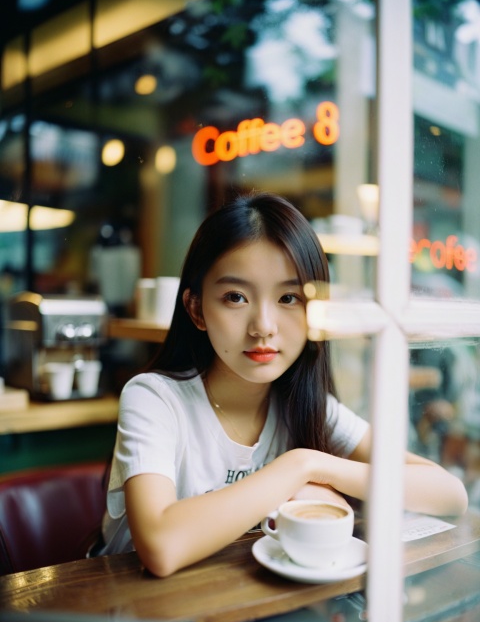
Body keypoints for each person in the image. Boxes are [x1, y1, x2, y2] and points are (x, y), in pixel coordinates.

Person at [98, 191, 467, 578]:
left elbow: (449, 494)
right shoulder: (154, 398)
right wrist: (293, 471)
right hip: (133, 617)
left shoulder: (302, 402)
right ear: (196, 309)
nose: (263, 327)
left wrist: (313, 464)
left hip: (236, 604)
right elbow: (160, 546)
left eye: (288, 297)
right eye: (236, 297)